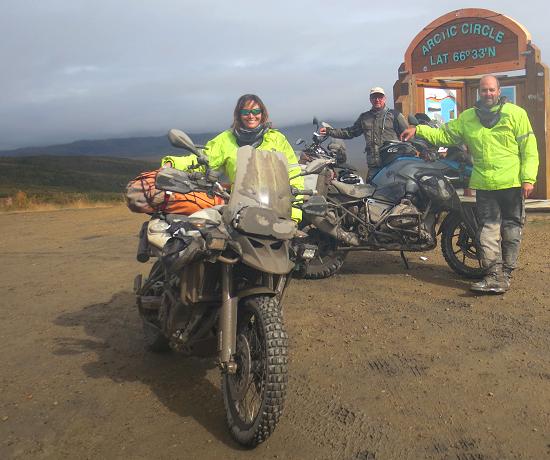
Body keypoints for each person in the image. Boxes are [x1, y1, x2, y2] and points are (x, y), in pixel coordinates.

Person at [400, 75, 539, 294]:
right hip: (484, 185)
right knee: (488, 231)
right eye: (484, 90)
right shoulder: (468, 118)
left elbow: (529, 149)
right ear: (479, 92)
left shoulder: (516, 114)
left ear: (498, 90)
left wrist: (528, 178)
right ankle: (494, 275)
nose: (488, 94)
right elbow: (444, 134)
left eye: (491, 90)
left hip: (511, 183)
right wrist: (419, 130)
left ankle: (507, 272)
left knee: (512, 228)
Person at [161, 94, 303, 221]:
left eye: (256, 111)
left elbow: (292, 172)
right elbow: (204, 158)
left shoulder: (277, 139)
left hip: (276, 208)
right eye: (246, 112)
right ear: (239, 114)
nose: (251, 116)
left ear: (262, 113)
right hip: (240, 208)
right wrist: (171, 164)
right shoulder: (225, 139)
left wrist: (295, 211)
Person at [319, 86, 408, 180]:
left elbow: (407, 136)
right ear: (370, 99)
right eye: (374, 97)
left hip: (392, 164)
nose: (377, 100)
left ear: (384, 98)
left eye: (380, 97)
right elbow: (350, 132)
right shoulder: (365, 117)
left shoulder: (395, 115)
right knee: (371, 191)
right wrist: (329, 131)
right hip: (373, 166)